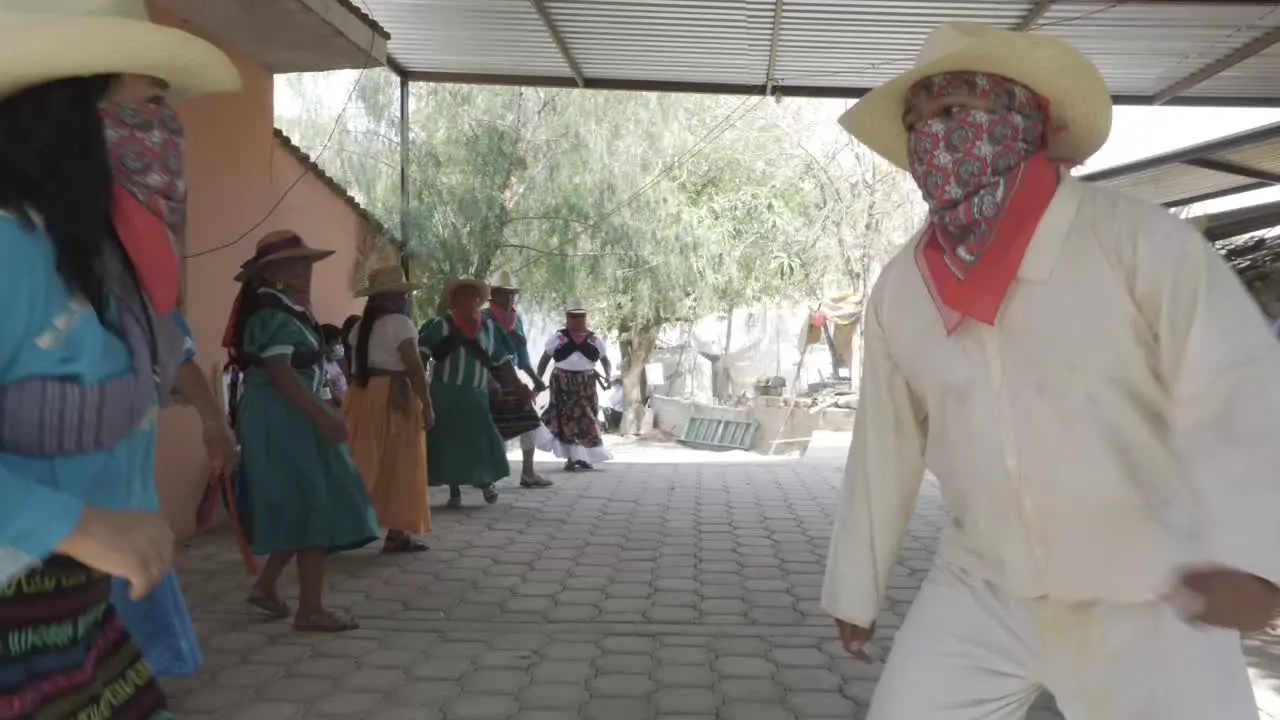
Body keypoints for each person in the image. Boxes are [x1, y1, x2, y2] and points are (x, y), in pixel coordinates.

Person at [821, 22, 1280, 720]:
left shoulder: (1137, 242)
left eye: (952, 113)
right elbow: (885, 442)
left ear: (1018, 117)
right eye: (916, 124)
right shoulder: (904, 286)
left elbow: (1237, 387)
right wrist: (856, 587)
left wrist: (1257, 559)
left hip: (1149, 591)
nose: (930, 138)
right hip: (981, 585)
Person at [0, 0, 241, 713]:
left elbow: (166, 354)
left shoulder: (98, 262)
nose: (163, 131)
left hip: (76, 615)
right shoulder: (7, 251)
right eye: (149, 102)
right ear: (67, 107)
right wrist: (79, 526)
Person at [225, 230, 380, 632]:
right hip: (285, 414)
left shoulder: (286, 309)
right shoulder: (273, 315)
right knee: (316, 501)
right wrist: (321, 414)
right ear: (272, 272)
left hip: (289, 412)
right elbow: (281, 374)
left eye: (307, 262)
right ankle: (310, 609)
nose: (305, 270)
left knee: (304, 499)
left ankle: (266, 587)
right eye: (295, 264)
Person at [344, 265, 434, 553]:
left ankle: (342, 524)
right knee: (402, 465)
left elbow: (350, 367)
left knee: (362, 460)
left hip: (362, 395)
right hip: (395, 398)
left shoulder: (360, 327)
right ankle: (397, 533)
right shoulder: (400, 323)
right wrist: (428, 407)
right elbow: (416, 370)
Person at [418, 277, 515, 509]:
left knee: (480, 439)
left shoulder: (490, 328)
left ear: (479, 299)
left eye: (473, 296)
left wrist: (516, 386)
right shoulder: (440, 325)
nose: (468, 300)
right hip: (444, 393)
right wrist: (418, 386)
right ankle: (454, 491)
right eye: (462, 295)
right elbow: (421, 353)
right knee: (449, 442)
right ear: (454, 300)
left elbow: (501, 360)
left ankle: (485, 482)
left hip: (476, 393)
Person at [484, 270, 554, 488]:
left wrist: (536, 378)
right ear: (493, 295)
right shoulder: (484, 319)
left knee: (530, 422)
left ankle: (528, 472)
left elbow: (522, 357)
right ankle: (487, 476)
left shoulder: (518, 320)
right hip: (487, 378)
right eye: (505, 294)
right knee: (490, 427)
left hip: (512, 378)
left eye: (513, 294)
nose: (510, 298)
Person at [536, 298, 613, 471]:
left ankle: (585, 457)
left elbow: (605, 360)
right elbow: (545, 358)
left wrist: (608, 375)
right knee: (567, 420)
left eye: (581, 316)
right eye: (574, 316)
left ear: (586, 318)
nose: (578, 320)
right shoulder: (559, 338)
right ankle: (572, 457)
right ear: (567, 318)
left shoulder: (594, 340)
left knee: (587, 419)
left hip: (586, 384)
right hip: (562, 383)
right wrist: (538, 378)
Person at [319, 323, 348, 407]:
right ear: (325, 345)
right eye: (336, 344)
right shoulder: (322, 365)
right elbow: (329, 392)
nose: (339, 347)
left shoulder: (334, 362)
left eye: (340, 343)